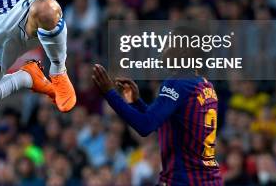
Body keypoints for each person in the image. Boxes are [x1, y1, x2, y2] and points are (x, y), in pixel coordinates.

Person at [92, 27, 222, 185]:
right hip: (210, 180)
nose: (163, 48)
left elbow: (145, 126)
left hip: (183, 180)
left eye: (170, 43)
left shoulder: (177, 83)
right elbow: (165, 125)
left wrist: (109, 93)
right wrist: (136, 102)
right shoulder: (206, 86)